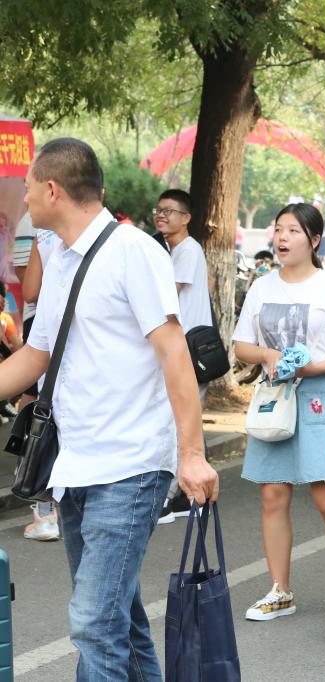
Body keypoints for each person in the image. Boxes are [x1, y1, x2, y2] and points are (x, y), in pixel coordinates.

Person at [0, 137, 218, 679]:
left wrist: (192, 455)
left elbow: (175, 352)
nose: (24, 197)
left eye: (29, 186)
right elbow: (35, 355)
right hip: (75, 463)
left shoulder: (133, 252)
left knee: (95, 622)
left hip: (131, 465)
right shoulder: (58, 256)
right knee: (120, 618)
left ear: (53, 190)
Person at [233, 203, 325, 622]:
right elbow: (241, 346)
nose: (282, 237)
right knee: (273, 494)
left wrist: (315, 367)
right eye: (278, 229)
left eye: (292, 230)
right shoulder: (261, 288)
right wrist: (268, 354)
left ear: (314, 240)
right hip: (275, 398)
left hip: (321, 398)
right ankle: (280, 591)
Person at [152, 189, 216, 524]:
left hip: (190, 353)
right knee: (183, 421)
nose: (161, 215)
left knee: (178, 423)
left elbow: (165, 295)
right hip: (185, 351)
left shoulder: (187, 250)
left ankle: (167, 498)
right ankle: (189, 497)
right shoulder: (173, 250)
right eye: (159, 210)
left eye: (169, 211)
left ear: (186, 218)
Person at [12, 212, 61, 541]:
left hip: (42, 327)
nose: (27, 195)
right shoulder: (117, 237)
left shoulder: (39, 231)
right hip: (56, 333)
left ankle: (45, 514)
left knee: (38, 418)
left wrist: (38, 246)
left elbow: (29, 291)